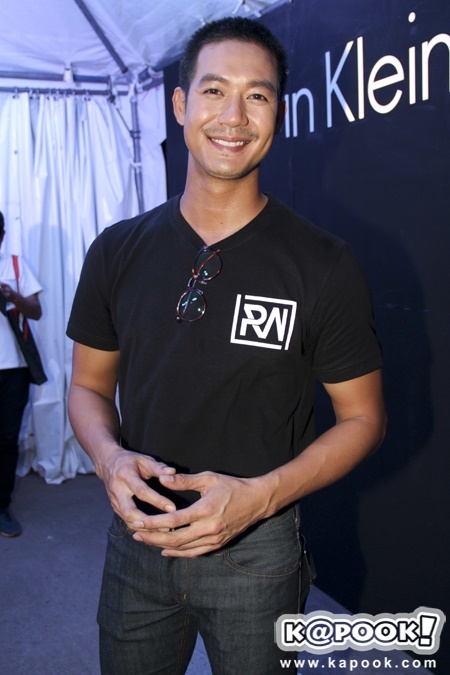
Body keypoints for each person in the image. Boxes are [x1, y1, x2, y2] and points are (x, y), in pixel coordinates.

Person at [67, 16, 386, 675]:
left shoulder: (322, 263)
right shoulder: (116, 251)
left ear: (279, 113)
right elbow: (88, 386)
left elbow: (363, 418)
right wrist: (109, 459)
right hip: (138, 541)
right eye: (214, 90)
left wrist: (260, 497)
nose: (233, 116)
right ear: (180, 104)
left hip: (259, 553)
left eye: (257, 95)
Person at [0, 212, 43, 537]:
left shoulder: (14, 265)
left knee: (6, 440)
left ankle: (1, 506)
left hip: (13, 369)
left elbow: (36, 311)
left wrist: (12, 297)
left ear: (2, 235)